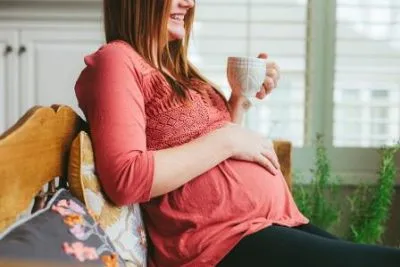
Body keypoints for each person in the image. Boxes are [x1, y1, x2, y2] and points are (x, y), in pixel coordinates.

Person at [74, 0, 400, 266]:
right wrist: (229, 139)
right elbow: (126, 178)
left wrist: (239, 103)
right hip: (220, 243)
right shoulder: (117, 60)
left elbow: (208, 162)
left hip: (269, 225)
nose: (188, 3)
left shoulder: (180, 72)